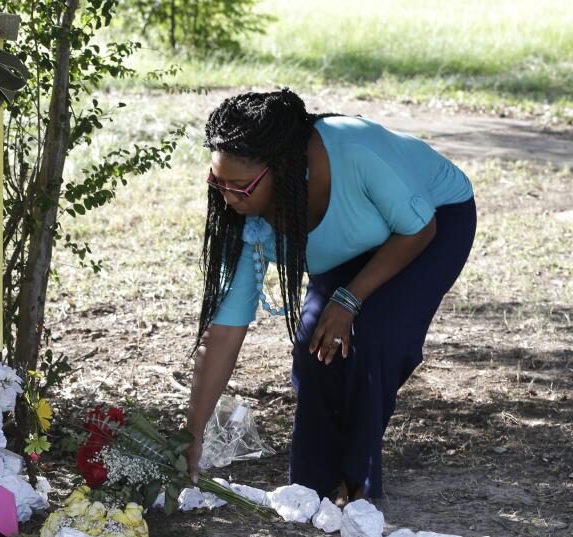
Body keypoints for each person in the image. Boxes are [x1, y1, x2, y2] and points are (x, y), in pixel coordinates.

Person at [186, 89, 476, 504]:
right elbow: (225, 331)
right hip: (354, 243)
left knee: (374, 337)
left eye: (240, 187)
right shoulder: (246, 217)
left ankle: (358, 488)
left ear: (283, 168)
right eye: (218, 182)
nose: (228, 198)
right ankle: (311, 490)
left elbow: (418, 229)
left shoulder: (354, 149)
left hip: (430, 222)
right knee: (315, 345)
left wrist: (348, 299)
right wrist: (191, 434)